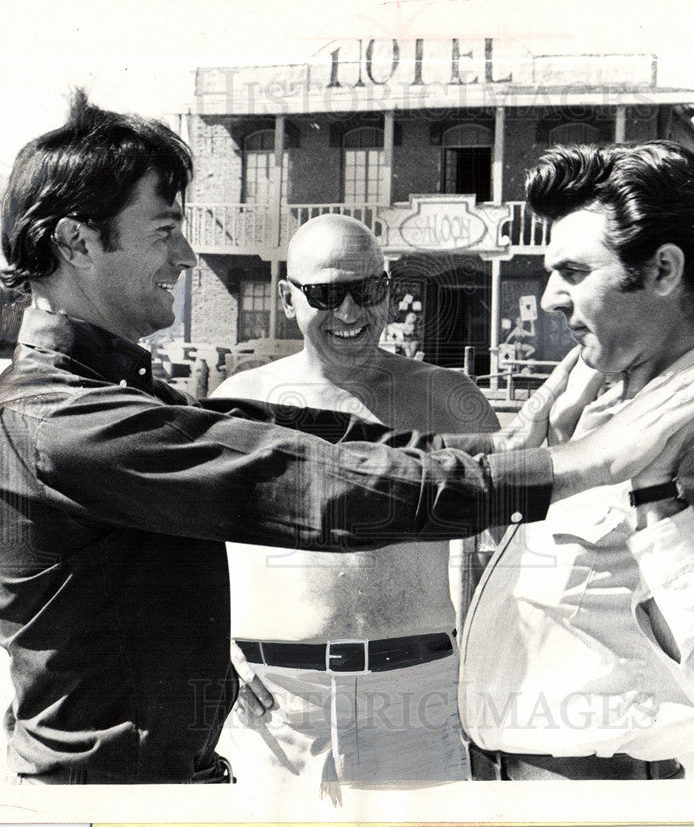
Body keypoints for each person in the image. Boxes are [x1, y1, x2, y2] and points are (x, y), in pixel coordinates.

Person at [0, 93, 694, 785]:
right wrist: (585, 462)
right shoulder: (64, 420)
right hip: (112, 796)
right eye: (165, 229)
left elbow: (331, 442)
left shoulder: (115, 398)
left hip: (182, 776)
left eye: (368, 290)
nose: (185, 254)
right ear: (76, 241)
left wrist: (514, 450)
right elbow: (316, 482)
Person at [458, 141, 694, 781]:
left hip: (597, 793)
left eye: (573, 273)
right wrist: (534, 464)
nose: (549, 300)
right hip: (505, 778)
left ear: (663, 270)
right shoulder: (594, 405)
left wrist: (655, 494)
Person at [212, 214, 500, 792]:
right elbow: (185, 553)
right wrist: (218, 661)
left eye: (365, 291)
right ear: (289, 297)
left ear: (387, 292)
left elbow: (491, 560)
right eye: (325, 294)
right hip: (275, 710)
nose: (349, 313)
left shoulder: (448, 400)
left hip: (418, 697)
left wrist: (484, 701)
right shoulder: (239, 403)